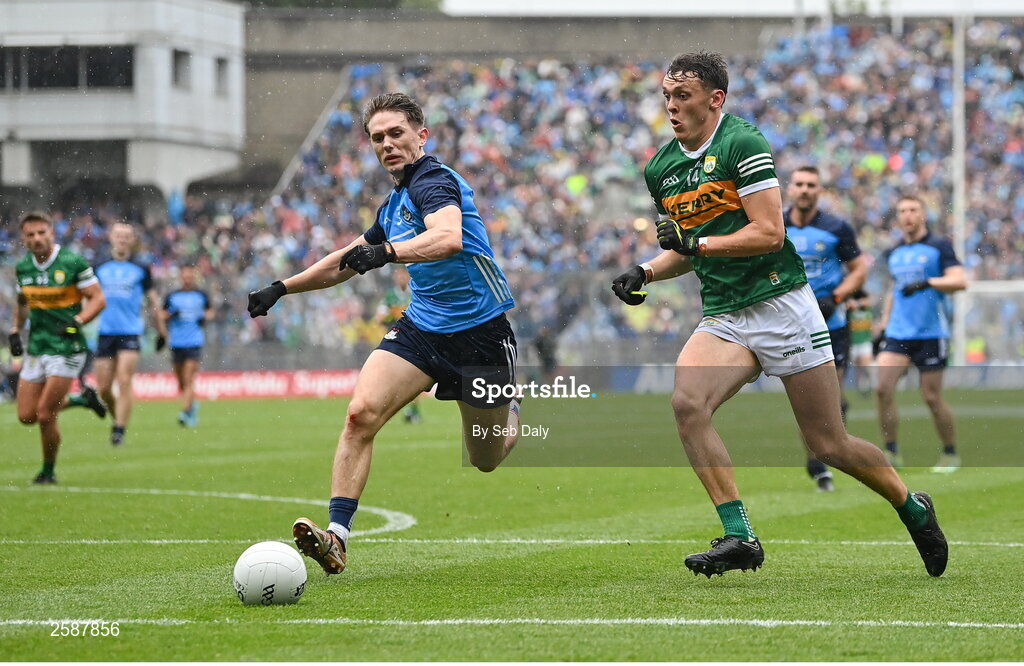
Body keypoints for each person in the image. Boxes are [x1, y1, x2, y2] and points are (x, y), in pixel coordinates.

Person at [610, 52, 947, 578]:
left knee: (828, 444)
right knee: (687, 403)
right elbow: (686, 247)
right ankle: (739, 535)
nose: (671, 107)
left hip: (782, 306)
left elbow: (769, 232)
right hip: (725, 314)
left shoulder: (742, 143)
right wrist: (647, 271)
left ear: (714, 99)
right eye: (667, 97)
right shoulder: (661, 168)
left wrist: (694, 244)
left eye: (683, 97)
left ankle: (911, 504)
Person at [248, 92, 522, 576]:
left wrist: (389, 253)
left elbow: (448, 237)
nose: (387, 144)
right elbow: (347, 259)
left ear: (422, 134)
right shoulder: (395, 203)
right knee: (359, 416)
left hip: (481, 336)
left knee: (487, 457)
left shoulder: (434, 181)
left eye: (396, 133)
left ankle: (513, 410)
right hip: (422, 330)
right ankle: (338, 537)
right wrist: (281, 288)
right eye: (378, 138)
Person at [784, 166, 869, 491]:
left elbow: (859, 269)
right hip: (791, 323)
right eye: (800, 184)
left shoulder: (837, 228)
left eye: (811, 185)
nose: (805, 190)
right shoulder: (774, 224)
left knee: (832, 397)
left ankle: (828, 454)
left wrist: (837, 296)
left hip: (831, 323)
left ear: (819, 191)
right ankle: (818, 462)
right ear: (790, 189)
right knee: (805, 396)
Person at [8, 211, 107, 483]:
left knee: (44, 413)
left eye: (42, 232)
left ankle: (48, 471)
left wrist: (77, 321)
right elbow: (22, 302)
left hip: (67, 346)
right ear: (24, 238)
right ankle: (81, 398)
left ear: (52, 232)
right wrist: (16, 329)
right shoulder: (24, 267)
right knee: (26, 415)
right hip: (38, 346)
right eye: (31, 234)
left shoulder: (72, 262)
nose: (37, 238)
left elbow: (98, 300)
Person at [874, 195, 967, 473]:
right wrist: (884, 321)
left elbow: (959, 281)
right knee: (882, 389)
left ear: (923, 215)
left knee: (931, 396)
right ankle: (891, 452)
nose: (908, 215)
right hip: (899, 333)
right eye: (902, 211)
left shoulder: (939, 246)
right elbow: (895, 289)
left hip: (931, 333)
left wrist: (928, 282)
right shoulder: (895, 251)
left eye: (913, 210)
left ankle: (950, 453)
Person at [93, 222, 163, 445]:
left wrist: (161, 330)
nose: (122, 239)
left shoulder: (142, 269)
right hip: (105, 332)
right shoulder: (98, 266)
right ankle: (117, 418)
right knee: (103, 389)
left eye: (127, 236)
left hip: (130, 331)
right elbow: (87, 295)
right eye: (118, 235)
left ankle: (120, 430)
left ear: (132, 240)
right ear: (111, 237)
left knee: (124, 379)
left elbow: (153, 302)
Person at [160, 265, 212, 428]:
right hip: (176, 342)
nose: (188, 278)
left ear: (194, 277)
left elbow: (210, 312)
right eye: (185, 275)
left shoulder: (201, 295)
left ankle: (185, 412)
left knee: (189, 378)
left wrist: (203, 316)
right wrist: (170, 314)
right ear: (181, 277)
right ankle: (192, 405)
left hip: (194, 342)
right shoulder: (172, 296)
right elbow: (161, 314)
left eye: (190, 275)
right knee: (181, 380)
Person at [377, 267, 422, 424]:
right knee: (395, 378)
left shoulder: (415, 292)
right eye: (399, 275)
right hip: (395, 340)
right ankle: (402, 410)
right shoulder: (390, 296)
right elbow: (379, 317)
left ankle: (412, 411)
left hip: (416, 339)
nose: (401, 278)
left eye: (404, 275)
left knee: (413, 378)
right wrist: (392, 314)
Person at [846, 289, 876, 395]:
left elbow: (871, 300)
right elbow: (847, 304)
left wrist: (858, 304)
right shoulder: (849, 311)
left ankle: (872, 384)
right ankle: (861, 387)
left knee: (866, 364)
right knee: (858, 367)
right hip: (853, 343)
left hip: (865, 341)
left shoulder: (867, 310)